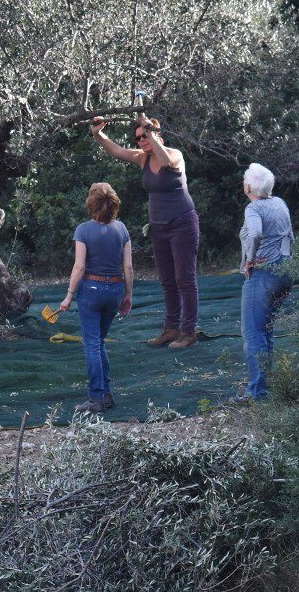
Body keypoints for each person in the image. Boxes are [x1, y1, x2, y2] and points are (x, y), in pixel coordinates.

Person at [91, 115, 201, 349]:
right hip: (158, 227)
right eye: (138, 137)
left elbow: (166, 160)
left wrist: (152, 132)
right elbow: (118, 151)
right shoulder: (142, 159)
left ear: (156, 133)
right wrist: (98, 135)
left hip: (182, 224)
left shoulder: (174, 155)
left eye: (145, 135)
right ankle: (171, 329)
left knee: (185, 279)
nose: (141, 140)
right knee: (167, 281)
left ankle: (189, 331)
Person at [56, 183, 134, 413]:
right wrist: (128, 295)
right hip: (115, 290)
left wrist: (69, 295)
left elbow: (79, 266)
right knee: (99, 342)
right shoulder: (122, 229)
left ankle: (96, 397)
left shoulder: (83, 230)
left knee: (91, 344)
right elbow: (128, 266)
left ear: (92, 204)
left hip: (91, 290)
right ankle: (106, 394)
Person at [238, 163, 293, 402]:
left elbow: (256, 233)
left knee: (253, 334)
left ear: (249, 186)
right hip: (285, 271)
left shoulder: (253, 208)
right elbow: (290, 235)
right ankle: (268, 389)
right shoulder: (280, 202)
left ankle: (258, 395)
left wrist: (250, 259)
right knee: (266, 331)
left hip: (263, 275)